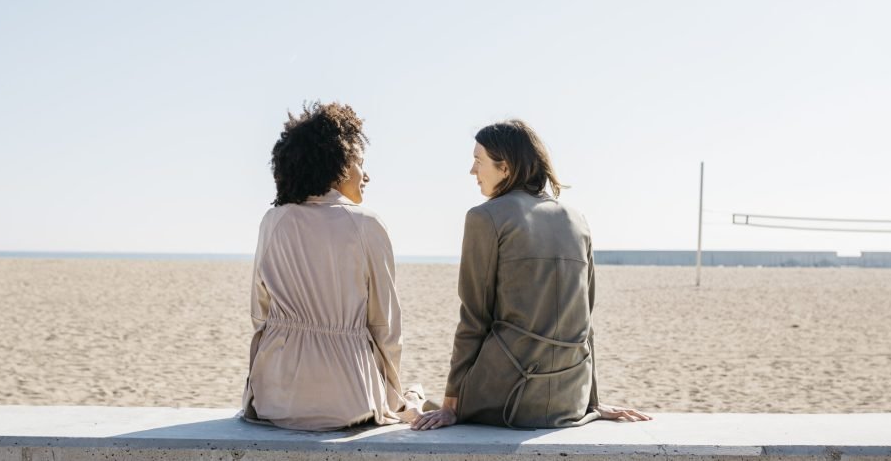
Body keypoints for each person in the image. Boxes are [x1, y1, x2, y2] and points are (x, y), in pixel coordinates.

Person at [412, 119, 652, 430]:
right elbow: (584, 319)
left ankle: (414, 398)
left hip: (510, 394)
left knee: (421, 407)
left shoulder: (484, 217)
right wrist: (591, 401)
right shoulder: (577, 219)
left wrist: (451, 403)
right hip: (570, 396)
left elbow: (474, 318)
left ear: (506, 168)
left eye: (478, 161)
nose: (472, 171)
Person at [241, 101, 422, 431]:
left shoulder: (273, 220)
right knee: (418, 395)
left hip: (276, 399)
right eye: (359, 164)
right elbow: (385, 325)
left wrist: (253, 395)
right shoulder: (367, 224)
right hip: (348, 398)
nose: (366, 175)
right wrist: (395, 399)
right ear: (337, 167)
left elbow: (260, 314)